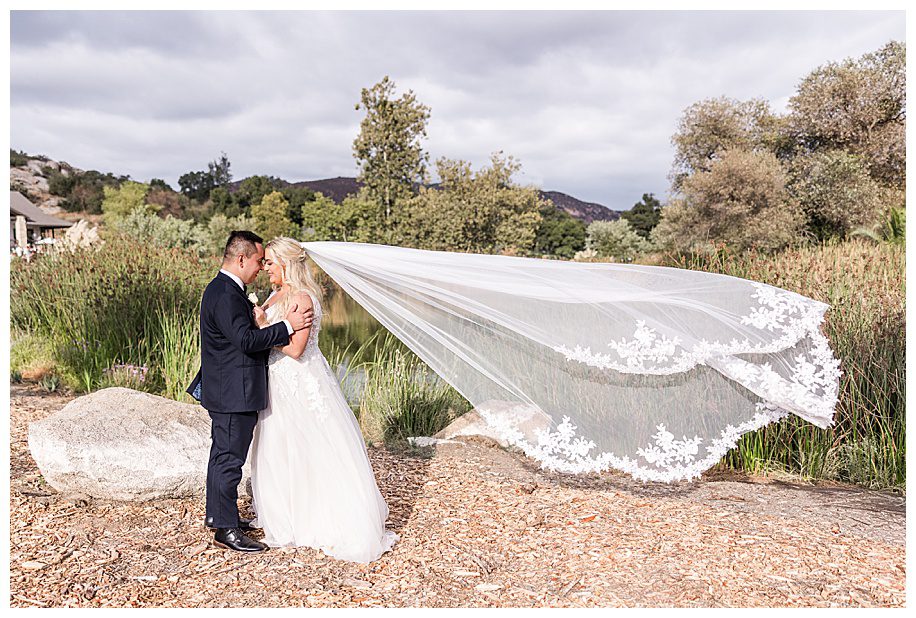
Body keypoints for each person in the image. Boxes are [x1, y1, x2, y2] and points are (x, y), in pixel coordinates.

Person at [248, 236, 399, 564]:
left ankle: (316, 519)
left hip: (300, 381)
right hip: (276, 381)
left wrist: (261, 327)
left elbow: (296, 349)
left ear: (287, 265)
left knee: (310, 447)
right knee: (277, 447)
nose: (265, 268)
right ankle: (285, 515)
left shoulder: (302, 298)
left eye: (270, 262)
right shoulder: (277, 294)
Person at [187, 231, 312, 553]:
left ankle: (221, 517)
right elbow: (245, 342)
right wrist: (287, 326)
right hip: (233, 391)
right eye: (258, 261)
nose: (260, 268)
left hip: (230, 388)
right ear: (241, 259)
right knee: (229, 459)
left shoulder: (225, 289)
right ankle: (225, 529)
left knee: (225, 456)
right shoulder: (227, 294)